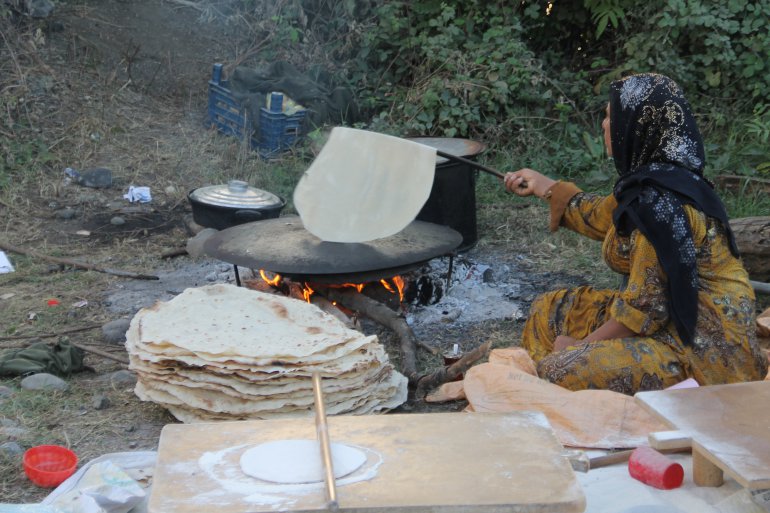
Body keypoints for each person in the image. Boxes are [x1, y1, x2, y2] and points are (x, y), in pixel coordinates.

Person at [503, 73, 767, 395]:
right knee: (551, 309)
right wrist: (544, 186)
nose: (604, 125)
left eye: (612, 117)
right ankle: (546, 392)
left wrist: (577, 347)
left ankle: (547, 395)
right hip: (666, 324)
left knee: (559, 368)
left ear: (637, 127)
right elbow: (601, 215)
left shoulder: (661, 207)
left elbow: (644, 311)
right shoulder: (654, 181)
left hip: (703, 354)